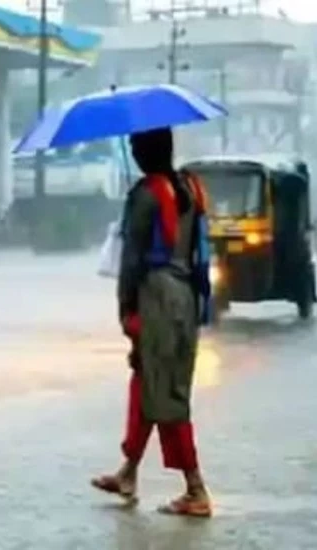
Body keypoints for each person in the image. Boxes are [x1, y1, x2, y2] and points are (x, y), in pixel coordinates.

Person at [91, 127, 213, 517]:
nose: (132, 150)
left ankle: (196, 488)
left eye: (135, 145)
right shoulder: (190, 188)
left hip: (157, 297)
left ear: (145, 151)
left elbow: (131, 261)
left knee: (166, 391)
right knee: (148, 381)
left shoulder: (145, 196)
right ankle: (128, 471)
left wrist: (126, 309)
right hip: (186, 297)